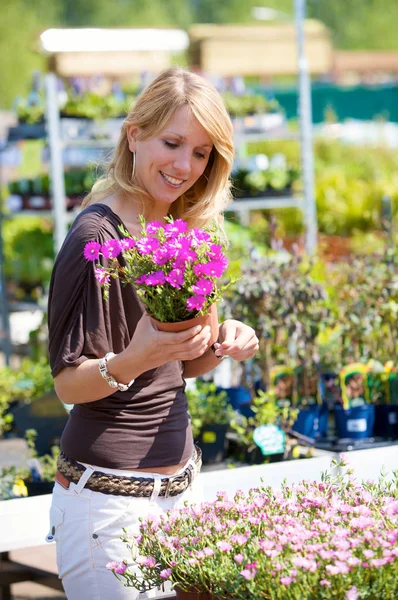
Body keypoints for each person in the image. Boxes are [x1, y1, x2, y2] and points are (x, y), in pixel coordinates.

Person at [46, 66, 259, 600]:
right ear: (134, 133)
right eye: (173, 142)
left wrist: (223, 342)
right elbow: (68, 385)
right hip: (109, 508)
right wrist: (133, 358)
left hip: (184, 491)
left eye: (203, 152)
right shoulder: (97, 237)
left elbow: (182, 365)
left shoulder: (186, 233)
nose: (185, 165)